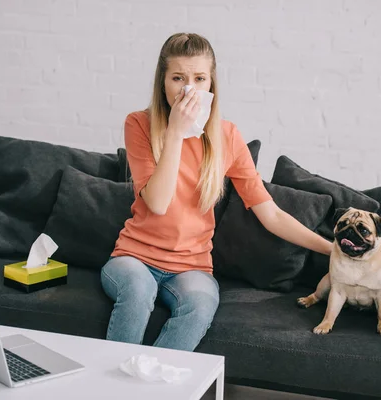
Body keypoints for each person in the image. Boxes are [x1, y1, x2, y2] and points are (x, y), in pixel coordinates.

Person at [101, 32, 333, 352]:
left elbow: (272, 215)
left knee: (199, 306)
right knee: (138, 293)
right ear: (163, 82)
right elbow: (156, 203)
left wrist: (331, 249)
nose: (189, 89)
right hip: (133, 258)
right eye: (178, 78)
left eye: (199, 78)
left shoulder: (227, 136)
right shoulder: (139, 124)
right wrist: (176, 135)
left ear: (212, 84)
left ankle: (154, 385)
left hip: (192, 266)